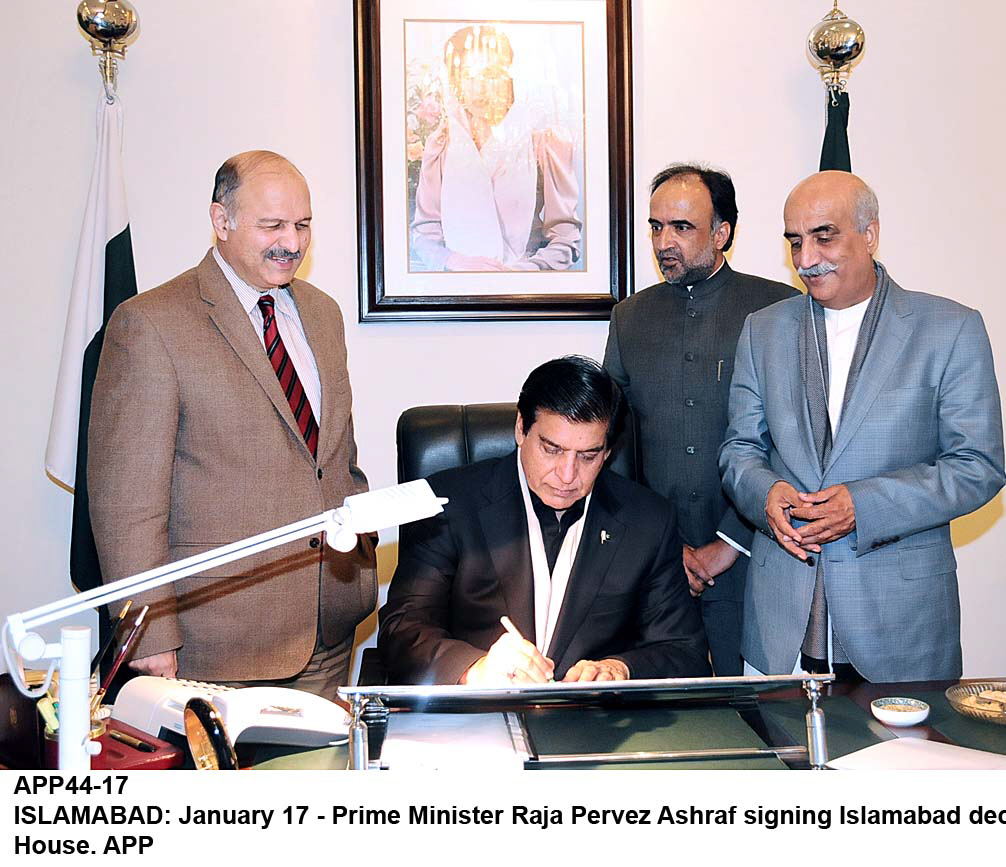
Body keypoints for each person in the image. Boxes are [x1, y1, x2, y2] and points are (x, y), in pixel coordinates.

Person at [87, 151, 376, 700]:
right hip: (216, 646)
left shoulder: (323, 313)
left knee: (317, 788)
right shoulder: (150, 324)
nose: (291, 242)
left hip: (329, 630)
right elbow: (127, 504)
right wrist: (148, 629)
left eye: (303, 225)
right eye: (272, 226)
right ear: (222, 221)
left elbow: (333, 456)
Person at [719, 171, 1005, 683]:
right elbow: (739, 450)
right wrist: (766, 494)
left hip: (901, 627)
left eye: (824, 236)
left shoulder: (950, 329)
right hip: (780, 626)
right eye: (794, 242)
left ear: (869, 234)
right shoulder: (761, 331)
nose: (805, 259)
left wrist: (865, 505)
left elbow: (977, 467)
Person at [379, 356, 710, 685]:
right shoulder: (449, 503)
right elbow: (404, 630)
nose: (567, 475)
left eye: (588, 456)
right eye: (552, 449)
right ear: (521, 428)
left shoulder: (648, 521)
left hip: (593, 723)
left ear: (608, 451)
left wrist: (620, 668)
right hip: (478, 717)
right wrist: (476, 669)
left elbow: (684, 651)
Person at [603, 164, 793, 675]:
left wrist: (727, 544)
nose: (665, 241)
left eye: (682, 228)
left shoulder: (777, 310)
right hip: (655, 568)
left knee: (756, 718)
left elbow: (794, 449)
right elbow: (612, 448)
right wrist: (656, 547)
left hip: (756, 555)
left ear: (722, 232)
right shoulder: (630, 318)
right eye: (656, 226)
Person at [409, 24, 582, 272]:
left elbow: (566, 240)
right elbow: (425, 235)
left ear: (510, 77)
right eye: (469, 76)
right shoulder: (442, 144)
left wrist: (521, 273)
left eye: (490, 74)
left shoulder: (543, 141)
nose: (479, 89)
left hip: (524, 294)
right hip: (457, 293)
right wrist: (452, 261)